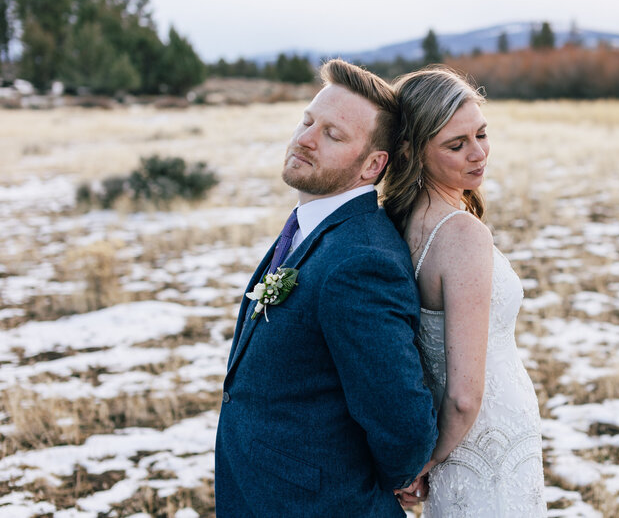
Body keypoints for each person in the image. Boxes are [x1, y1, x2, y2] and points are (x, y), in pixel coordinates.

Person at [214, 59, 438, 517]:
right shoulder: (312, 226)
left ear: (373, 165)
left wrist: (389, 479)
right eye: (307, 120)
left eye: (332, 135)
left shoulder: (360, 261)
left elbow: (405, 426)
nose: (305, 138)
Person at [384, 67, 547, 516]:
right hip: (485, 437)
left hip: (458, 433)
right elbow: (463, 395)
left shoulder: (401, 221)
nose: (478, 154)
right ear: (413, 152)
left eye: (481, 134)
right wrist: (428, 460)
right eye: (456, 145)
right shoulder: (460, 234)